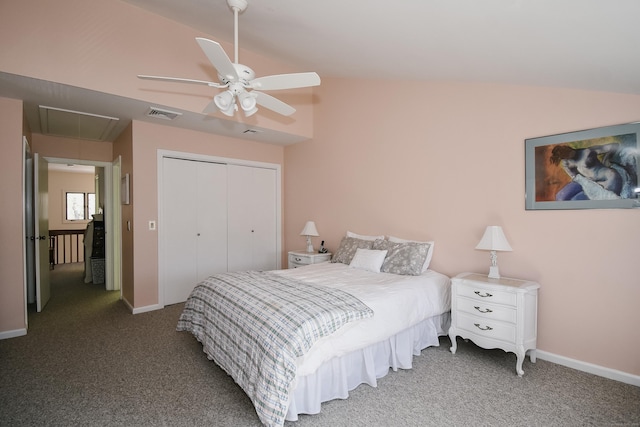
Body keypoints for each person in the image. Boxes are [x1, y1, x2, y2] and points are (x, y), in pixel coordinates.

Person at [549, 143, 635, 201]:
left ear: (569, 148)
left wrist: (607, 159)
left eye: (568, 153)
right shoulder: (566, 162)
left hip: (608, 180)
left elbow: (614, 145)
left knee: (575, 200)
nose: (569, 156)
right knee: (560, 197)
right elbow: (574, 177)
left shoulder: (587, 152)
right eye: (565, 156)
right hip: (588, 183)